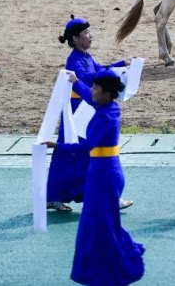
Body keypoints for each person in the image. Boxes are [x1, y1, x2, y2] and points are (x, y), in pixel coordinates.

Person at [44, 68, 145, 286]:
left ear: (106, 93)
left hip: (104, 175)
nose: (92, 90)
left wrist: (58, 146)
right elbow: (91, 102)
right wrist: (77, 81)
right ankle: (108, 267)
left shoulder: (105, 117)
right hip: (104, 171)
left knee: (99, 224)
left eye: (95, 88)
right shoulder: (109, 108)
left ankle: (116, 265)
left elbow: (86, 146)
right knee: (101, 223)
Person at [48, 14, 132, 213]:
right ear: (75, 38)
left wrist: (120, 64)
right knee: (75, 155)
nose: (90, 36)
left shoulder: (85, 57)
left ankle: (69, 195)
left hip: (85, 109)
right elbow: (88, 79)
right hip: (76, 111)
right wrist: (112, 73)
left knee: (78, 155)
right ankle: (57, 196)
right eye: (86, 33)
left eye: (89, 32)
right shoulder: (74, 61)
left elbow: (99, 70)